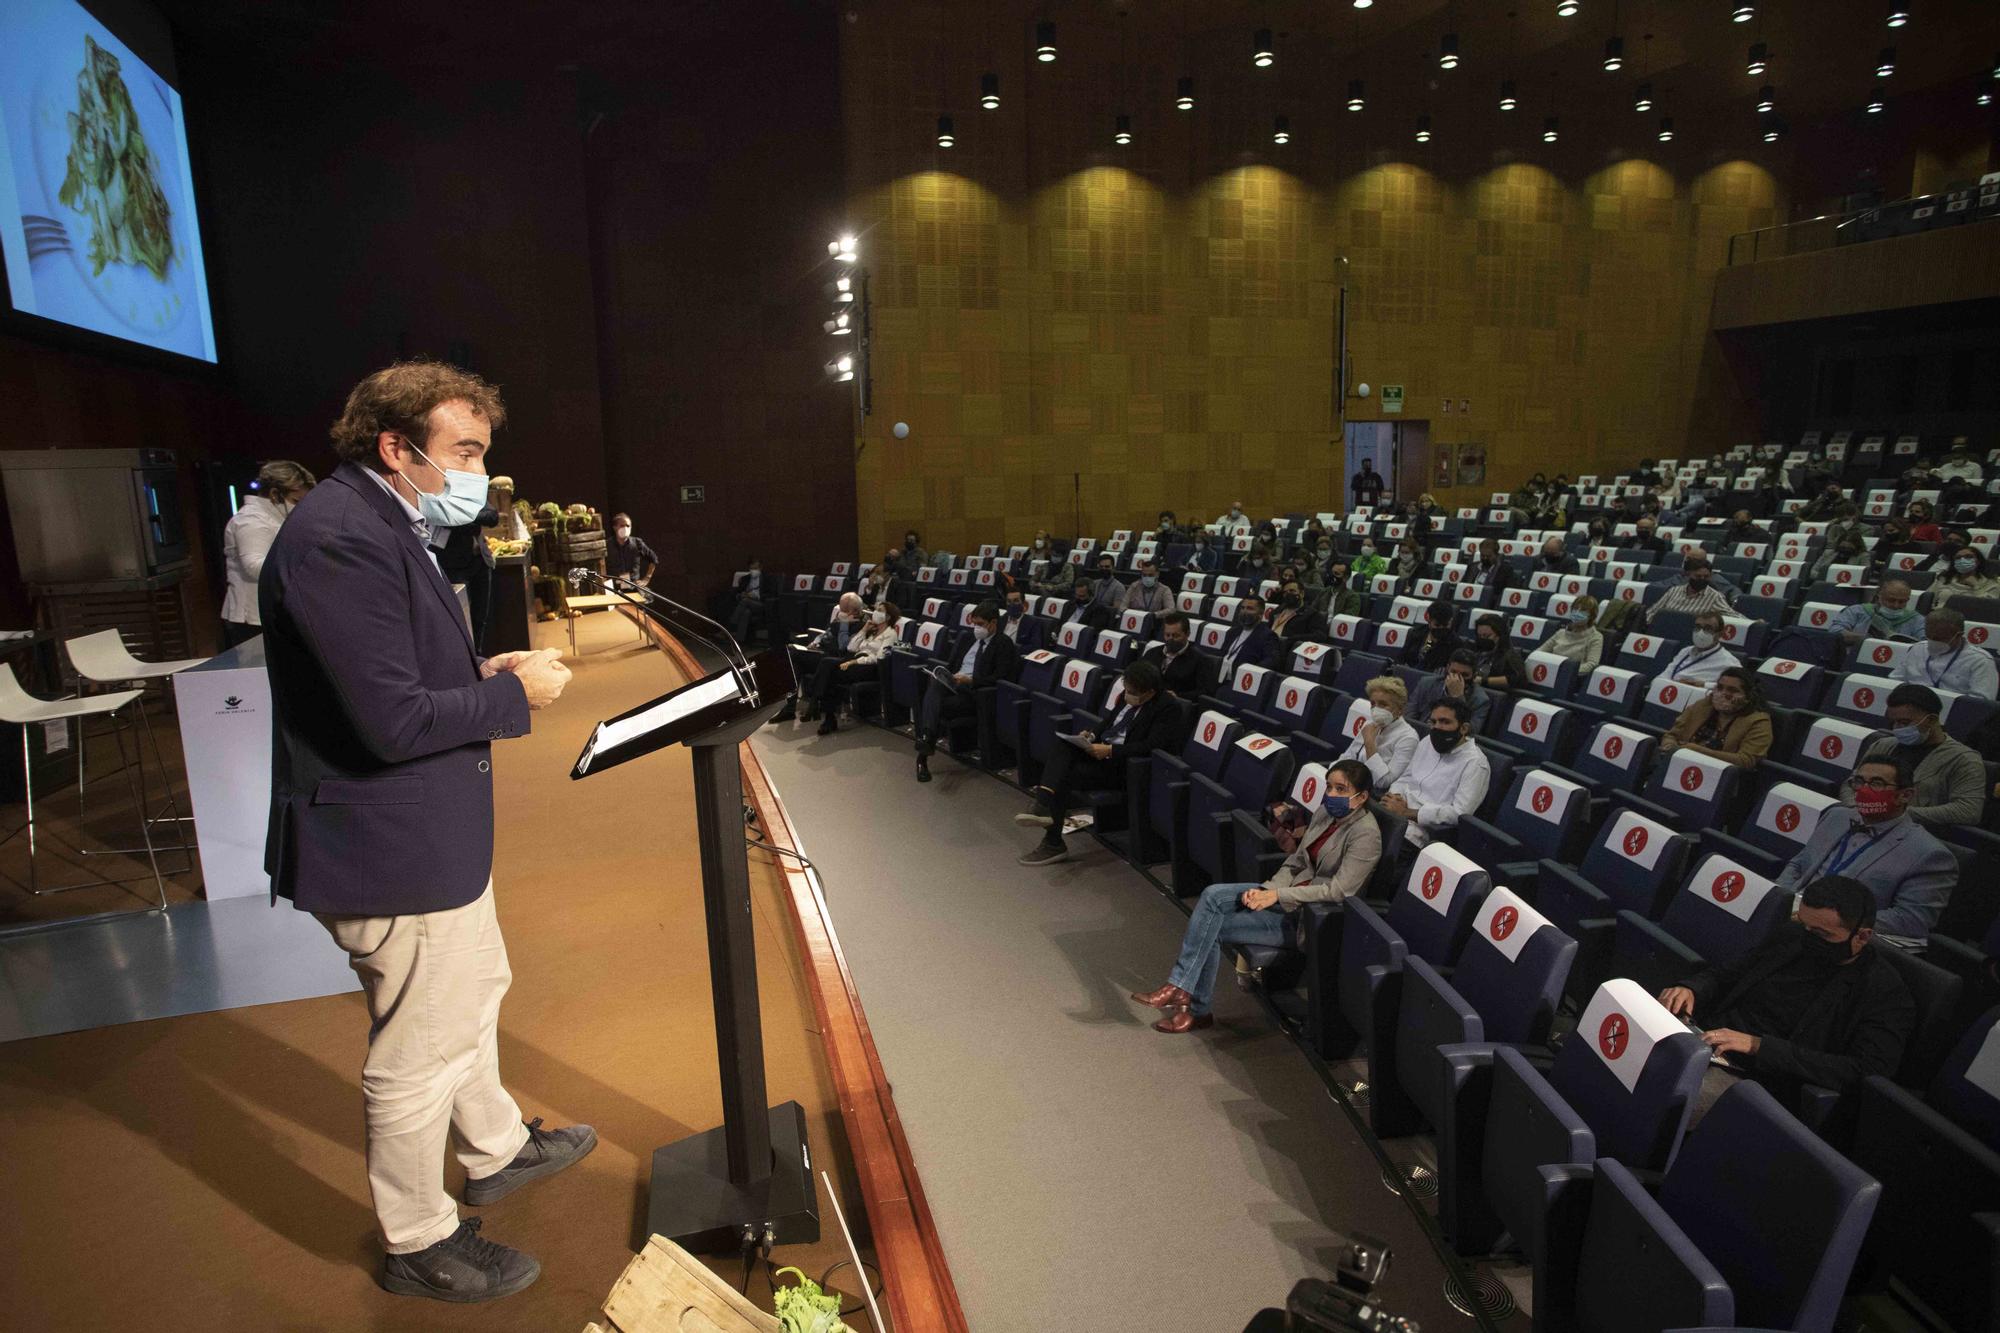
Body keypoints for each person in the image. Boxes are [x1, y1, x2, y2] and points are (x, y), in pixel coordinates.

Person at [262, 360, 584, 1304]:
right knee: (420, 1048)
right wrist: (509, 694)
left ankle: (492, 1146)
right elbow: (392, 721)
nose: (479, 473)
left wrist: (483, 664)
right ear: (396, 448)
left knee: (474, 989)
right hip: (385, 843)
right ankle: (417, 1235)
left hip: (424, 831)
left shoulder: (376, 520)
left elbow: (389, 669)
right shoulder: (338, 538)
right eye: (465, 452)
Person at [1132, 760, 1382, 1033]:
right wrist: (1266, 890)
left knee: (1209, 927)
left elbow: (1338, 891)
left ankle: (1192, 1005)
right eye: (1329, 787)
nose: (1331, 795)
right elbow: (1296, 862)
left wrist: (1277, 895)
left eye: (1341, 789)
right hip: (1286, 897)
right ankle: (1180, 988)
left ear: (1362, 797)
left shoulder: (1366, 834)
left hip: (1311, 921)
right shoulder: (1324, 813)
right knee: (1212, 896)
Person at [1659, 876, 1915, 1121]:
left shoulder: (1884, 992)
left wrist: (1759, 1046)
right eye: (1804, 924)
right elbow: (1726, 974)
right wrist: (1691, 988)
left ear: (1861, 937)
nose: (1808, 936)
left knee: (1661, 1094)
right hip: (1708, 1038)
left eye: (1822, 934)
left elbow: (1866, 1071)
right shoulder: (1792, 936)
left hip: (1763, 1079)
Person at [1016, 659, 1184, 866]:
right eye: (1127, 689)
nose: (1127, 694)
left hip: (1125, 768)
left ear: (1149, 692)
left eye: (1132, 691)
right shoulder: (1128, 696)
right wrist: (1092, 735)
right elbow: (1110, 721)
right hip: (1101, 754)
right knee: (1063, 747)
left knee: (1063, 775)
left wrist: (1111, 750)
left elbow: (1152, 746)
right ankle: (1043, 803)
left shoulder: (1168, 708)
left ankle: (1051, 837)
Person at [1774, 754, 1957, 939]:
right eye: (1860, 781)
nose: (1864, 790)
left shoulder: (1929, 854)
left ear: (1905, 795)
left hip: (1835, 936)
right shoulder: (1836, 816)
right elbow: (1798, 864)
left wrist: (1828, 921)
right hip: (1788, 914)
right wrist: (1780, 899)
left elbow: (1912, 920)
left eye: (1877, 783)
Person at [1841, 684, 1987, 830]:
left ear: (1931, 720)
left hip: (1917, 833)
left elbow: (1968, 810)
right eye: (1894, 722)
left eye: (1904, 722)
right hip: (1864, 824)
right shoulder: (1882, 745)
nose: (1897, 728)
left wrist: (1894, 812)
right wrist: (1856, 807)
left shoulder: (1964, 760)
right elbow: (1851, 784)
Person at [913, 600, 1017, 782]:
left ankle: (925, 747)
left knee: (934, 704)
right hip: (954, 684)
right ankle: (926, 742)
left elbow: (1002, 677)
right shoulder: (968, 638)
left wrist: (972, 680)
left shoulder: (1003, 643)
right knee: (935, 687)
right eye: (974, 623)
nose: (976, 628)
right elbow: (953, 664)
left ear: (993, 623)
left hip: (974, 692)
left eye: (980, 624)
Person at [221, 460, 316, 647]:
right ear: (275, 494)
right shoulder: (252, 521)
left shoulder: (275, 519)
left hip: (270, 614)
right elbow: (254, 567)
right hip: (252, 619)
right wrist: (305, 565)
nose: (300, 507)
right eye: (296, 501)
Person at [1381, 698, 1490, 853]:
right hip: (1394, 814)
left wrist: (1408, 813)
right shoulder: (1427, 741)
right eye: (1433, 722)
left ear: (1464, 728)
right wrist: (1394, 797)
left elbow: (1459, 813)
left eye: (1445, 722)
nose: (1437, 727)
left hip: (1418, 834)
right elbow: (1406, 777)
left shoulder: (1476, 763)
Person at [768, 592, 865, 725]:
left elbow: (843, 647)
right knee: (793, 659)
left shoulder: (861, 625)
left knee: (794, 656)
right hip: (822, 654)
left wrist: (844, 624)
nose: (839, 612)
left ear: (852, 611)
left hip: (837, 660)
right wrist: (816, 642)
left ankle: (805, 705)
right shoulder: (840, 620)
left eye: (842, 609)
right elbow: (827, 633)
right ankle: (789, 708)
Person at [810, 601, 900, 735]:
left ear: (887, 617)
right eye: (875, 609)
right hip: (854, 662)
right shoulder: (871, 630)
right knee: (827, 665)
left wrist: (857, 661)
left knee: (829, 671)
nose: (874, 612)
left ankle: (819, 706)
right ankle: (825, 714)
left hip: (869, 668)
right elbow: (851, 647)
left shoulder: (890, 634)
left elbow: (880, 657)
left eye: (879, 610)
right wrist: (864, 630)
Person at [1657, 667, 1771, 769]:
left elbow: (1745, 760)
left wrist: (1698, 751)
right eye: (1720, 688)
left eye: (1732, 690)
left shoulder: (1758, 721)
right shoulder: (1702, 706)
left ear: (1747, 696)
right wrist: (1669, 745)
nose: (1723, 694)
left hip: (1717, 775)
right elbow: (1672, 734)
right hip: (1680, 763)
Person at [1893, 607, 1999, 699]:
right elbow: (1895, 680)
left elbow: (1980, 702)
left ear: (1958, 635)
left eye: (1939, 638)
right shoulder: (1917, 648)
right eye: (1929, 636)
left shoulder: (1980, 661)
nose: (1932, 641)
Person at [1340, 676, 1418, 789]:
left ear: (1400, 709)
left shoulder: (1408, 738)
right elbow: (1348, 756)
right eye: (1373, 703)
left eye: (1383, 704)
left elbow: (1384, 782)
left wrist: (1369, 743)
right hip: (1348, 783)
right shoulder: (1369, 724)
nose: (1376, 709)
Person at [1405, 649, 1491, 733]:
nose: (1456, 679)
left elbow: (1470, 731)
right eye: (1453, 672)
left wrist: (1458, 698)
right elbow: (1409, 714)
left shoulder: (1481, 700)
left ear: (1474, 676)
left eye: (1464, 675)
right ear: (1447, 668)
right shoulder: (1426, 683)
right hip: (1418, 733)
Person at [1827, 577, 1923, 644]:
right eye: (1891, 600)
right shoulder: (1857, 610)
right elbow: (1834, 631)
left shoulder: (1917, 619)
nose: (1896, 605)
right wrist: (1866, 639)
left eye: (1902, 602)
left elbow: (1924, 644)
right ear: (1879, 597)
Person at [1645, 554, 1733, 626]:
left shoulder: (1715, 597)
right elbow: (1653, 611)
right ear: (1688, 575)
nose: (1702, 579)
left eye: (1706, 577)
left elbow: (1735, 617)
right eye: (1698, 576)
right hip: (1663, 629)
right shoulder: (1674, 590)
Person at [1662, 610, 1741, 686]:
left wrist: (1704, 685)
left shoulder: (1730, 663)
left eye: (1708, 629)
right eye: (1698, 627)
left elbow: (1738, 688)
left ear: (1720, 634)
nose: (1701, 632)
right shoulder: (1685, 651)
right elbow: (1665, 675)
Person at [1145, 611, 1206, 697]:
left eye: (1176, 636)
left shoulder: (1200, 660)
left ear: (1187, 634)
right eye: (1167, 635)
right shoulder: (1152, 653)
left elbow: (1203, 693)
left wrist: (1178, 696)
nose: (1170, 639)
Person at [1216, 594, 1277, 673]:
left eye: (1250, 608)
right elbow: (1221, 654)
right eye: (1242, 608)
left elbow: (1270, 662)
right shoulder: (1233, 631)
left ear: (1261, 614)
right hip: (1218, 673)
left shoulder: (1268, 636)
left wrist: (1247, 671)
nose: (1244, 611)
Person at [1540, 596, 1603, 671]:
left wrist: (1567, 670)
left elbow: (1591, 665)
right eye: (1575, 609)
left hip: (1571, 676)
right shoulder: (1561, 633)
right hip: (1550, 670)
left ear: (1591, 616)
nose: (1577, 612)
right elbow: (1540, 652)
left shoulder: (1595, 637)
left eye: (1583, 610)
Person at [1402, 599, 1462, 673]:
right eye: (1437, 625)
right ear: (1429, 620)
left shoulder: (1456, 644)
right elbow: (1401, 658)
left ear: (1451, 621)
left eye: (1445, 625)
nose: (1441, 628)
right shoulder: (1416, 633)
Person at [1471, 613, 1526, 692]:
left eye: (1487, 636)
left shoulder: (1510, 656)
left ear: (1500, 635)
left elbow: (1516, 679)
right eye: (1480, 636)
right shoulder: (1475, 651)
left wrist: (1483, 681)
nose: (1483, 639)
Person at [1932, 545, 2000, 609]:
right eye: (1958, 558)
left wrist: (1976, 586)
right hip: (1939, 616)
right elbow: (1928, 599)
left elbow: (1989, 607)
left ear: (1978, 561)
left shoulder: (1991, 583)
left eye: (1968, 556)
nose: (1962, 560)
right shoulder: (1944, 578)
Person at [605, 512, 659, 585]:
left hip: (633, 587)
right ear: (615, 527)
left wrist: (647, 578)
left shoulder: (637, 543)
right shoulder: (607, 545)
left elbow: (654, 559)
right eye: (622, 526)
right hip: (614, 589)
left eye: (628, 526)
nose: (625, 528)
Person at [1269, 577, 1325, 643]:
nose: (1288, 594)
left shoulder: (1312, 615)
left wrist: (1292, 638)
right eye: (1285, 592)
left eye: (1292, 591)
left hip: (1287, 648)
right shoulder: (1277, 611)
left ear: (1302, 594)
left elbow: (1320, 636)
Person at [727, 557, 768, 643]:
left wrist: (754, 596)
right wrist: (741, 595)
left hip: (761, 604)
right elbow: (737, 593)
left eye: (755, 568)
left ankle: (730, 626)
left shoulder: (767, 579)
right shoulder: (745, 579)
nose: (753, 570)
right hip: (746, 603)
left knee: (745, 601)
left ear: (760, 568)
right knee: (746, 613)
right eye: (751, 568)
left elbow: (770, 594)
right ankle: (739, 642)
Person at [1466, 539, 1515, 604]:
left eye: (1488, 556)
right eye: (1482, 556)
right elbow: (1463, 586)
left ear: (1496, 555)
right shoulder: (1472, 567)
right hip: (1470, 598)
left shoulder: (1505, 570)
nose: (1485, 558)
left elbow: (1506, 594)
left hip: (1491, 603)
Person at [1085, 552, 1128, 617]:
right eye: (1101, 566)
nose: (1104, 569)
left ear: (1113, 568)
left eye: (1107, 566)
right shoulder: (1094, 583)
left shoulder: (1119, 587)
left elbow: (1116, 611)